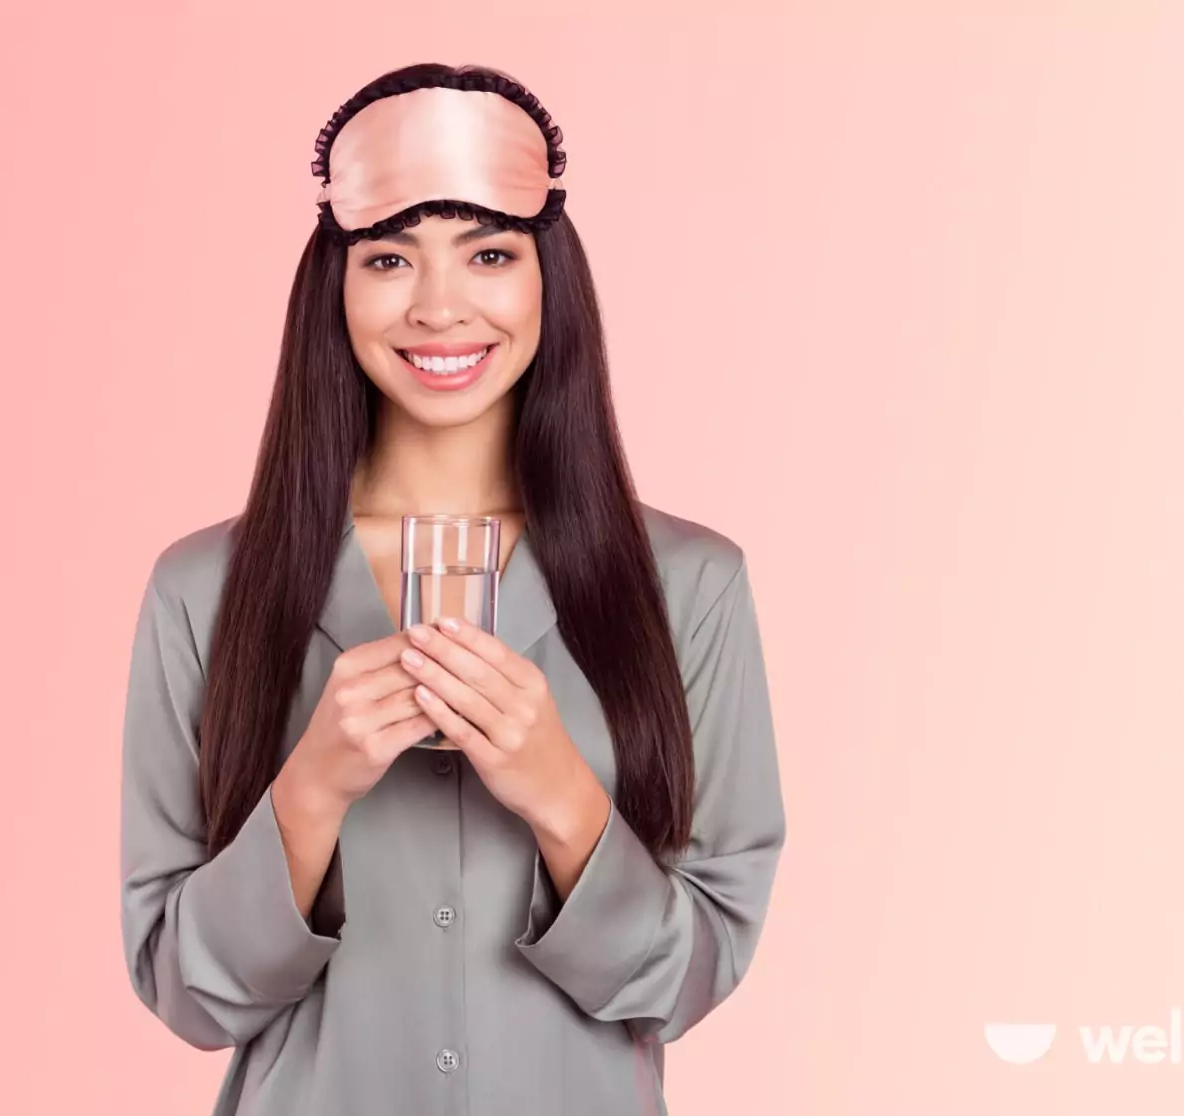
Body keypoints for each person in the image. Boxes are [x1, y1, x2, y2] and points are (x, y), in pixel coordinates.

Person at [120, 62, 786, 1115]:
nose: (440, 306)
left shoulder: (690, 586)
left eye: (487, 254)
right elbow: (188, 992)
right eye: (390, 257)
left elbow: (690, 976)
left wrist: (561, 792)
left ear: (547, 281)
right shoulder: (206, 591)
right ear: (332, 288)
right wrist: (313, 789)